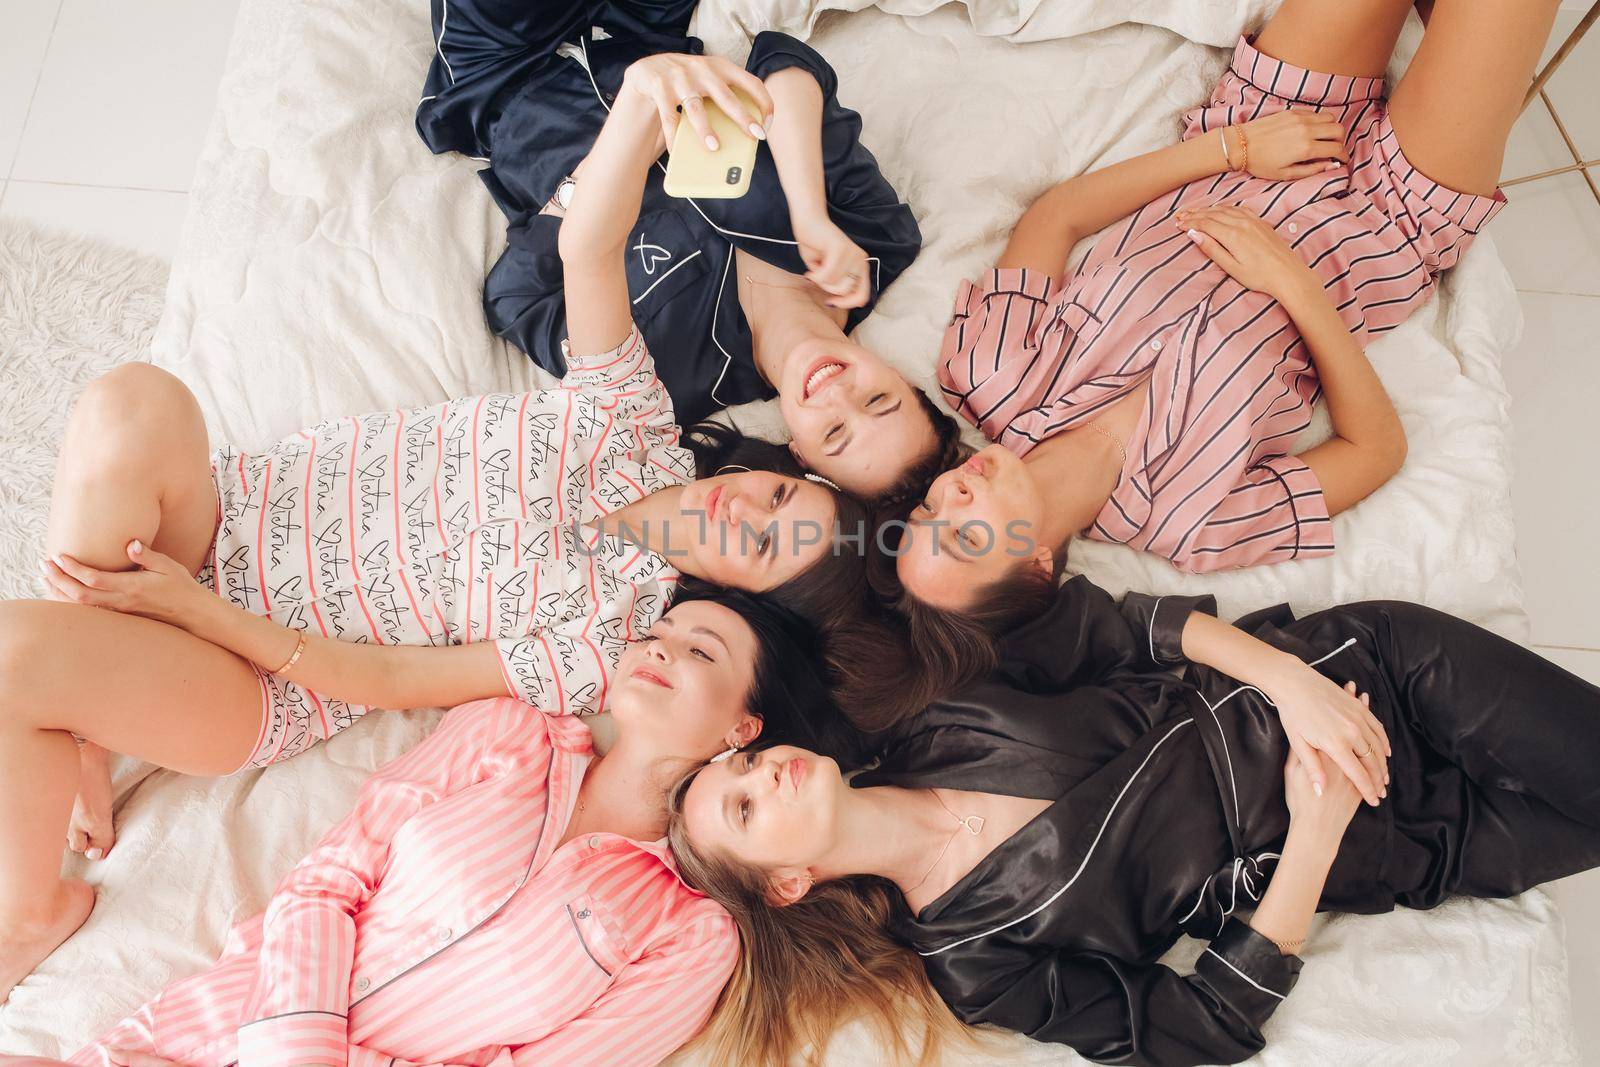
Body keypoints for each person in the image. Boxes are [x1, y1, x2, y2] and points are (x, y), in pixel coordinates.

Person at [0, 53, 872, 1003]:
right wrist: (644, 99)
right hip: (226, 517)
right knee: (132, 401)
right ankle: (85, 733)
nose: (746, 508)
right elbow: (589, 244)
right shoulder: (633, 422)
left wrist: (198, 613)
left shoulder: (617, 640)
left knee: (12, 655)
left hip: (255, 675)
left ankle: (29, 911)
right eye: (781, 497)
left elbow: (393, 679)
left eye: (761, 543)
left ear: (740, 592)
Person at [670, 577, 1600, 1066]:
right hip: (1394, 847)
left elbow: (1115, 627)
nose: (766, 770)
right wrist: (1316, 837)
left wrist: (1288, 682)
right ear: (785, 886)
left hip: (1363, 682)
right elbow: (1195, 1029)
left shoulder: (927, 713)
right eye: (745, 807)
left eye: (744, 761)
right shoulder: (974, 964)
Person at [893, 0, 1557, 595]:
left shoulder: (988, 371)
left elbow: (1056, 217)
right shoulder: (1196, 525)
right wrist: (1295, 287)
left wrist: (1234, 147)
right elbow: (1376, 451)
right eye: (965, 536)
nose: (950, 495)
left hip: (1276, 120)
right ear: (1039, 564)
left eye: (926, 510)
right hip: (1390, 221)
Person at [50, 589, 854, 1066]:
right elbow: (323, 885)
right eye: (656, 631)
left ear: (742, 729)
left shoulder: (689, 931)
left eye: (698, 650)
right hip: (194, 1032)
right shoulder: (506, 732)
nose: (658, 648)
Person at [415, 0, 964, 503]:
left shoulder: (667, 384)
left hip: (508, 83)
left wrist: (596, 175)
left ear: (800, 455)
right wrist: (808, 210)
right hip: (644, 24)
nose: (838, 394)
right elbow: (784, 60)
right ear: (904, 380)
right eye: (878, 401)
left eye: (834, 433)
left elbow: (517, 300)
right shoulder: (876, 243)